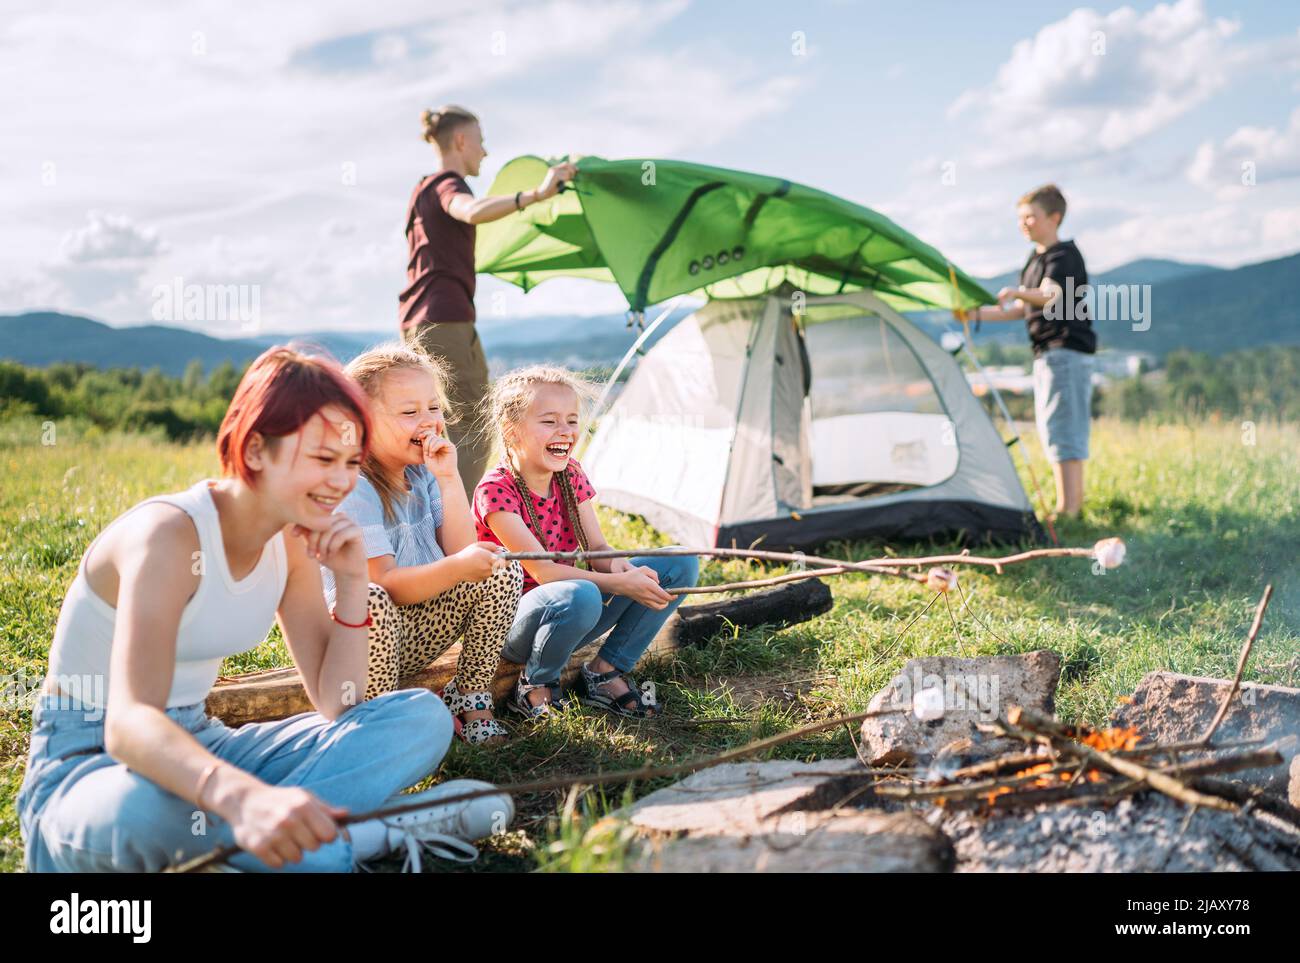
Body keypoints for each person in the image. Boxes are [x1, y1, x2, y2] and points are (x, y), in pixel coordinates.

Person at [17, 346, 511, 873]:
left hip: (205, 744)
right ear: (255, 450)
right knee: (155, 808)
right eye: (323, 460)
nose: (342, 482)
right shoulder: (166, 536)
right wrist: (243, 799)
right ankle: (370, 831)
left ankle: (269, 841)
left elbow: (338, 703)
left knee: (419, 718)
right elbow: (129, 724)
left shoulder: (292, 541)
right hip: (93, 765)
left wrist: (349, 583)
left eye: (350, 462)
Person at [473, 366, 699, 719]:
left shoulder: (570, 474)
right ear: (511, 431)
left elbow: (597, 548)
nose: (565, 431)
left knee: (679, 563)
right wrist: (617, 583)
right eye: (549, 422)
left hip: (573, 612)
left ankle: (605, 671)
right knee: (582, 592)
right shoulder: (495, 490)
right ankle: (535, 683)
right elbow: (545, 572)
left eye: (572, 420)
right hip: (512, 626)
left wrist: (619, 566)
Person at [328, 342, 523, 745]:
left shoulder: (424, 474)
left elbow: (462, 553)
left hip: (415, 634)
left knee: (499, 566)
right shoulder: (353, 488)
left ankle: (471, 697)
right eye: (409, 412)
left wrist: (450, 478)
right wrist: (458, 567)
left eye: (433, 408)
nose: (429, 422)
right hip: (355, 647)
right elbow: (383, 583)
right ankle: (382, 723)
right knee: (369, 598)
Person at [400, 104, 577, 493]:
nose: (485, 151)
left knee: (440, 425)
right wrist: (537, 194)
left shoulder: (421, 191)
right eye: (480, 141)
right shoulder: (448, 185)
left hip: (428, 319)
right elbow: (471, 211)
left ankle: (433, 522)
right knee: (474, 427)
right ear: (461, 141)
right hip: (445, 320)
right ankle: (456, 529)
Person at [972, 184, 1097, 519]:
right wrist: (975, 314)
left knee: (1064, 429)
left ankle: (1069, 509)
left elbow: (1050, 295)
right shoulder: (1035, 260)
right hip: (1046, 354)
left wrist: (1017, 291)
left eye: (1031, 216)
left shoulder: (1063, 256)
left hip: (1065, 352)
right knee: (1054, 428)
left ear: (1054, 218)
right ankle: (1068, 506)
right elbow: (1021, 308)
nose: (1024, 223)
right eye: (1021, 218)